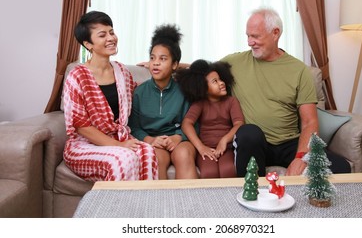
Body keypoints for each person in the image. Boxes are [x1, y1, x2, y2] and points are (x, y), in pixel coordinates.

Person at [221, 7, 351, 177]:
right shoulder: (234, 62)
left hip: (288, 143)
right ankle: (254, 194)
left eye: (255, 36)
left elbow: (309, 122)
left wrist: (300, 157)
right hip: (254, 143)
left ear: (275, 33)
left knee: (341, 168)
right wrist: (176, 67)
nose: (249, 42)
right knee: (248, 132)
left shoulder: (299, 70)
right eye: (248, 36)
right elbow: (202, 72)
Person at [63, 11, 158, 181]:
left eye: (111, 32)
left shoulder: (121, 71)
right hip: (84, 145)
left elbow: (136, 93)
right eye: (102, 35)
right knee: (124, 158)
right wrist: (119, 145)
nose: (111, 38)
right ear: (88, 44)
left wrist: (156, 68)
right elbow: (81, 126)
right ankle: (117, 208)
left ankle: (145, 206)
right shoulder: (77, 76)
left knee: (147, 152)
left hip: (117, 139)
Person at [128, 24, 198, 179]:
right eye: (152, 58)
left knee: (183, 155)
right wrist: (150, 140)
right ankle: (160, 203)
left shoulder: (184, 90)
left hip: (180, 140)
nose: (156, 63)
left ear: (174, 65)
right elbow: (133, 127)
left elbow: (193, 122)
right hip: (153, 141)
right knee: (156, 159)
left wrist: (178, 137)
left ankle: (190, 202)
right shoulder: (139, 92)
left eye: (163, 59)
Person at [175, 59, 245, 178]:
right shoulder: (200, 104)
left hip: (226, 148)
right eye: (215, 81)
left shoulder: (231, 101)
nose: (221, 83)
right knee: (209, 173)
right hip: (206, 148)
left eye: (220, 79)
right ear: (203, 87)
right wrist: (201, 147)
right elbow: (186, 124)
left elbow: (239, 124)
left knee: (228, 170)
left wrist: (224, 141)